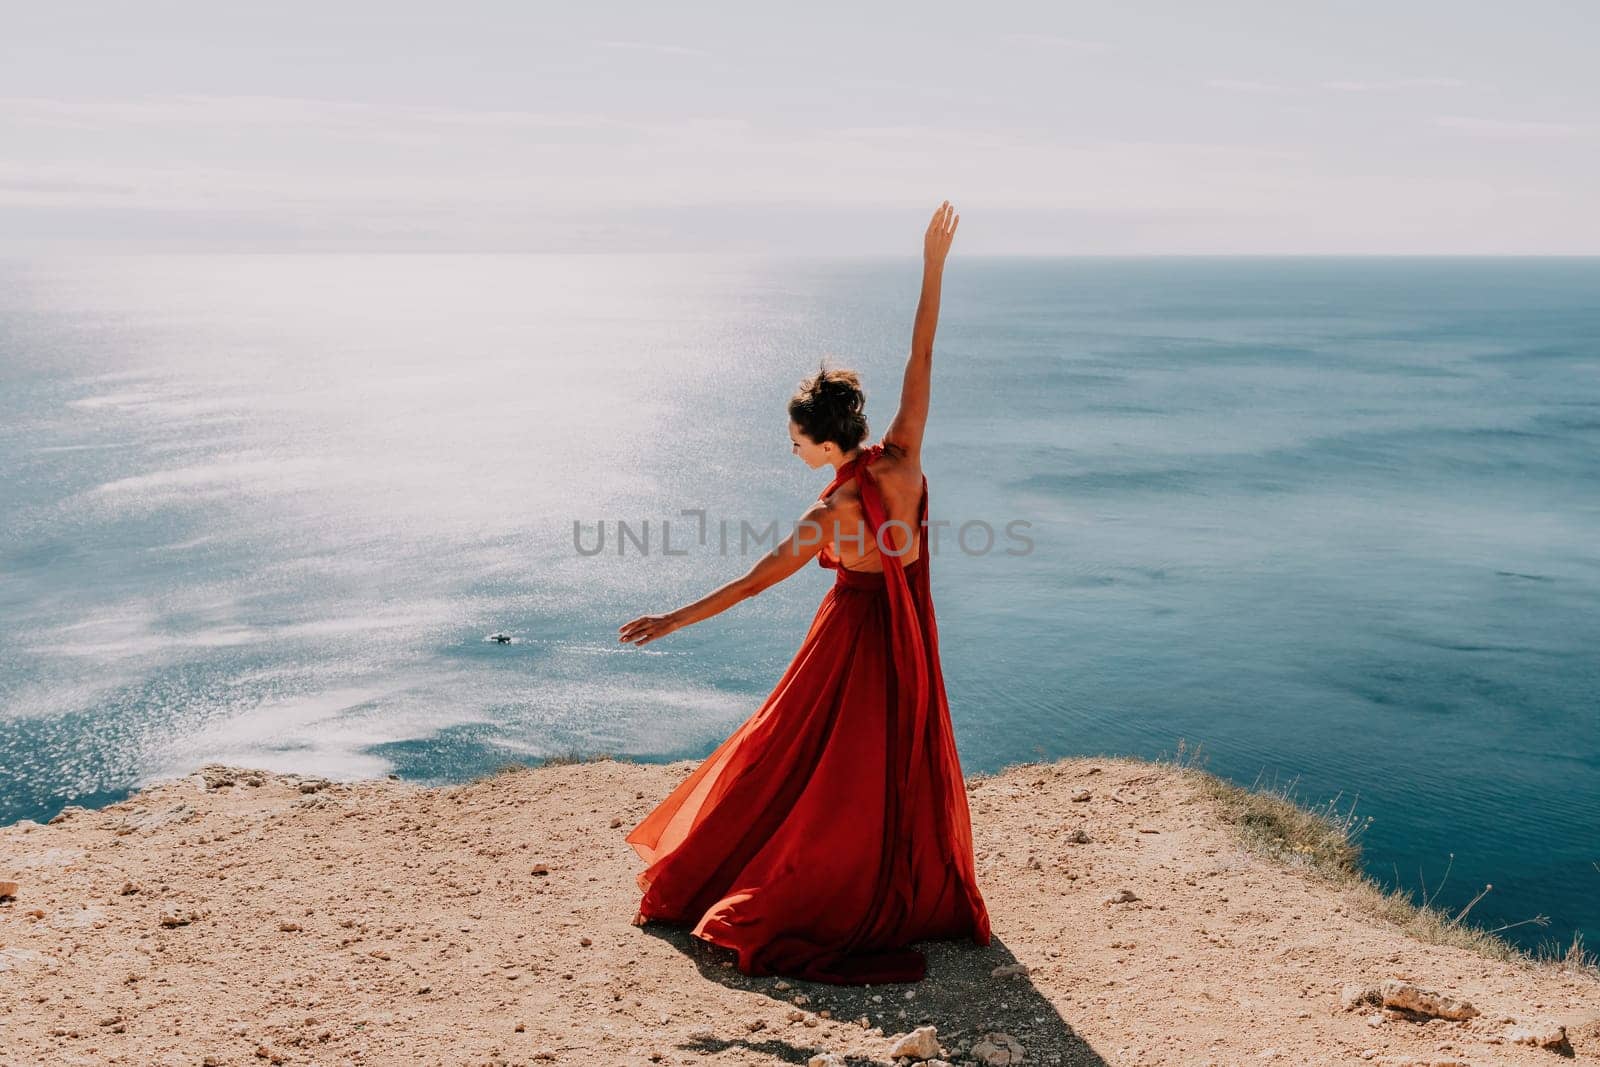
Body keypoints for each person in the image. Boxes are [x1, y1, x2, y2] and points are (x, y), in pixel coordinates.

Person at [617, 201, 990, 984]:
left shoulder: (831, 510)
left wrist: (671, 620)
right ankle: (906, 885)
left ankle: (769, 880)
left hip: (852, 640)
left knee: (791, 758)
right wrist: (934, 265)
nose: (791, 450)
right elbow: (923, 349)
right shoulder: (905, 455)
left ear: (825, 444)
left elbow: (754, 583)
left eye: (795, 442)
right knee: (889, 767)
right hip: (911, 640)